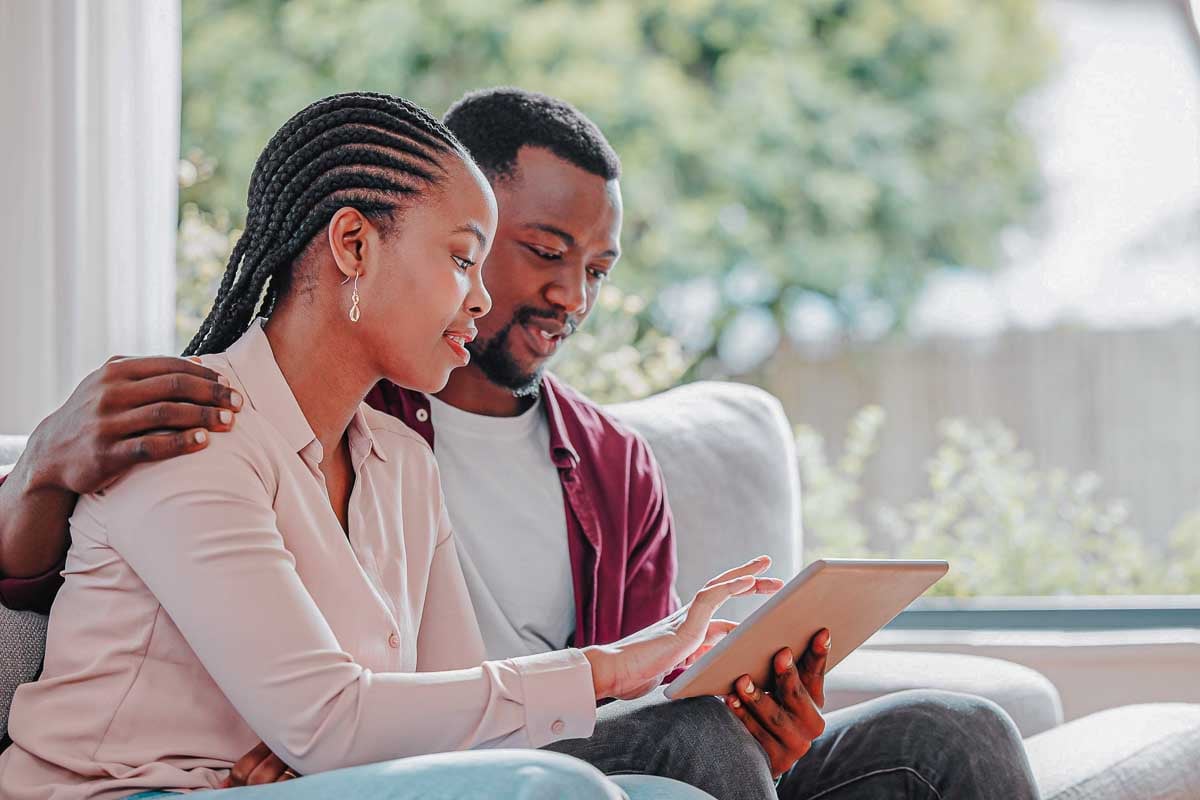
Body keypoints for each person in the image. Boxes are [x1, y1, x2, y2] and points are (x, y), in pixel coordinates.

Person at [0, 89, 1041, 799]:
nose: (501, 294)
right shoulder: (191, 425)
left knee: (948, 735)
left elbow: (446, 709)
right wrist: (608, 670)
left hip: (381, 767)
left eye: (599, 270)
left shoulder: (399, 461)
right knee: (654, 755)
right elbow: (330, 716)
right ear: (354, 243)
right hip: (158, 788)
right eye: (472, 256)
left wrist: (682, 681)